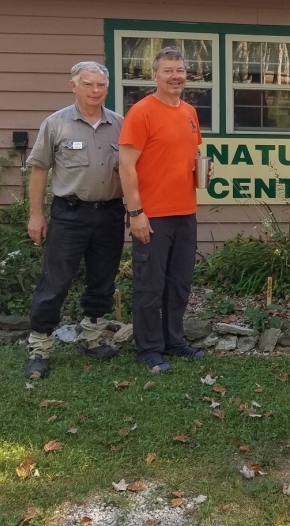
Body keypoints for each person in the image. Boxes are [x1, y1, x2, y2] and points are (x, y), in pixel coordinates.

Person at [24, 61, 125, 380]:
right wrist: (36, 215)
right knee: (55, 281)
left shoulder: (120, 124)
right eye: (88, 84)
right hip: (69, 214)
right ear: (74, 85)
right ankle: (40, 347)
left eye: (101, 85)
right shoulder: (56, 124)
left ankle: (91, 338)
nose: (96, 90)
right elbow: (39, 170)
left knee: (102, 279)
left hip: (110, 212)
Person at [119, 46, 207, 372]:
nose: (175, 76)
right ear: (154, 75)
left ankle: (174, 340)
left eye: (179, 70)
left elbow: (195, 155)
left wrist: (204, 170)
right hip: (151, 215)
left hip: (185, 211)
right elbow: (126, 166)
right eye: (168, 70)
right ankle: (149, 349)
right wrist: (135, 212)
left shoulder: (189, 112)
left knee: (179, 283)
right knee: (149, 285)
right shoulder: (141, 113)